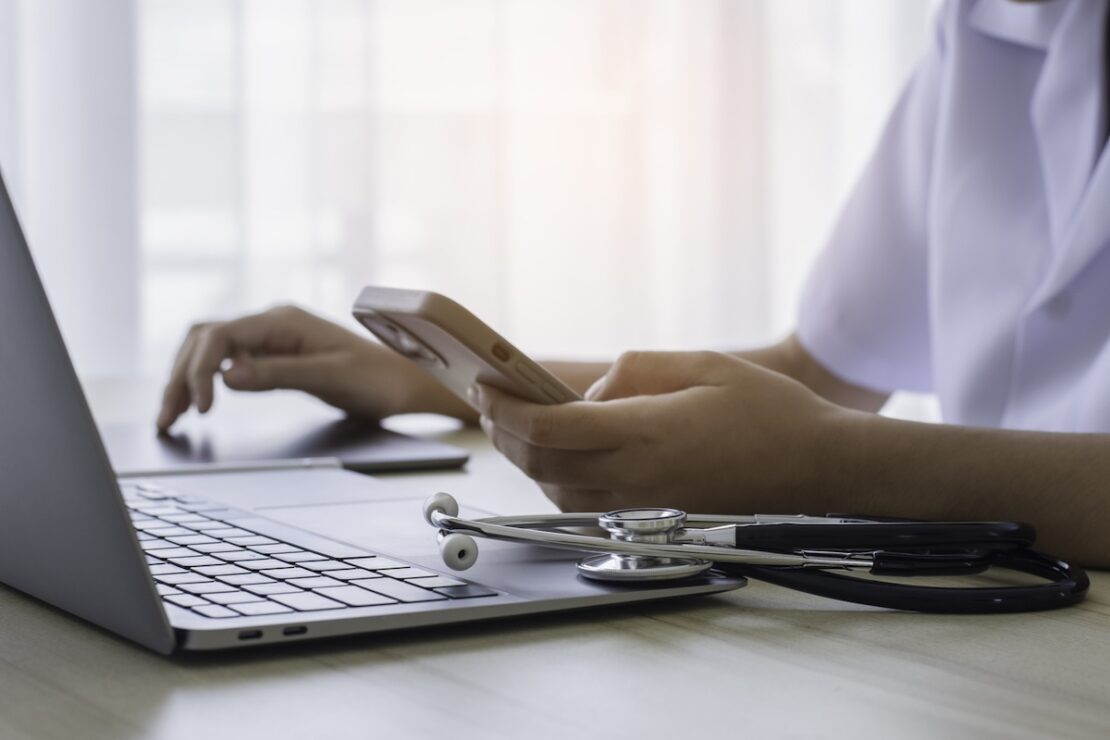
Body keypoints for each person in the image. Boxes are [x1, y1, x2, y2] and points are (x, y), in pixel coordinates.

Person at [157, 0, 1110, 567]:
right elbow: (818, 372)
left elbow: (816, 433)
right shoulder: (998, 21)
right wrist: (425, 377)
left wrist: (832, 468)